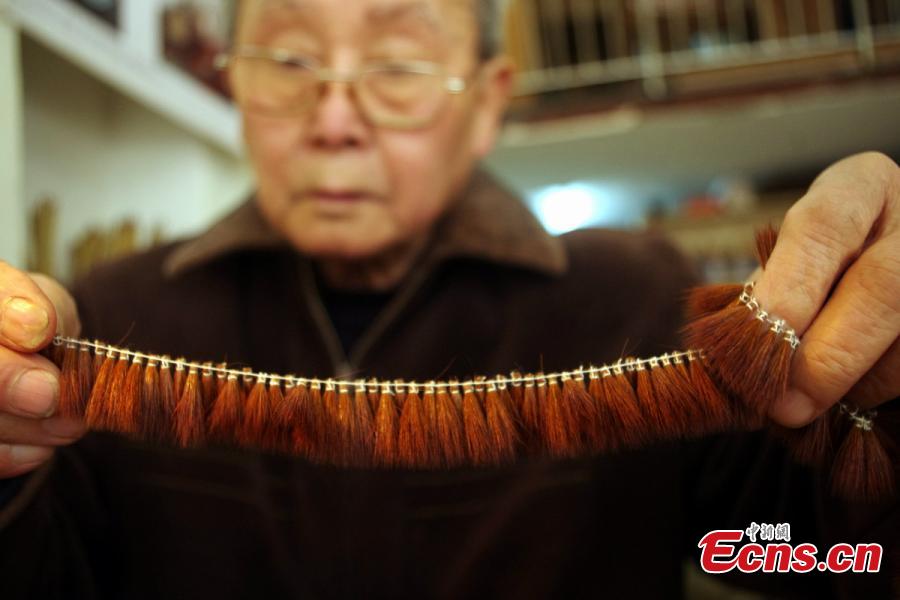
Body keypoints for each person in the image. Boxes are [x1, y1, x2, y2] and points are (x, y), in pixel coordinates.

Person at [0, 0, 897, 598]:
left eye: (396, 67)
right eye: (287, 60)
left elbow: (845, 555)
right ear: (235, 82)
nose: (334, 119)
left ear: (486, 104)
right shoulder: (114, 316)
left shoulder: (647, 305)